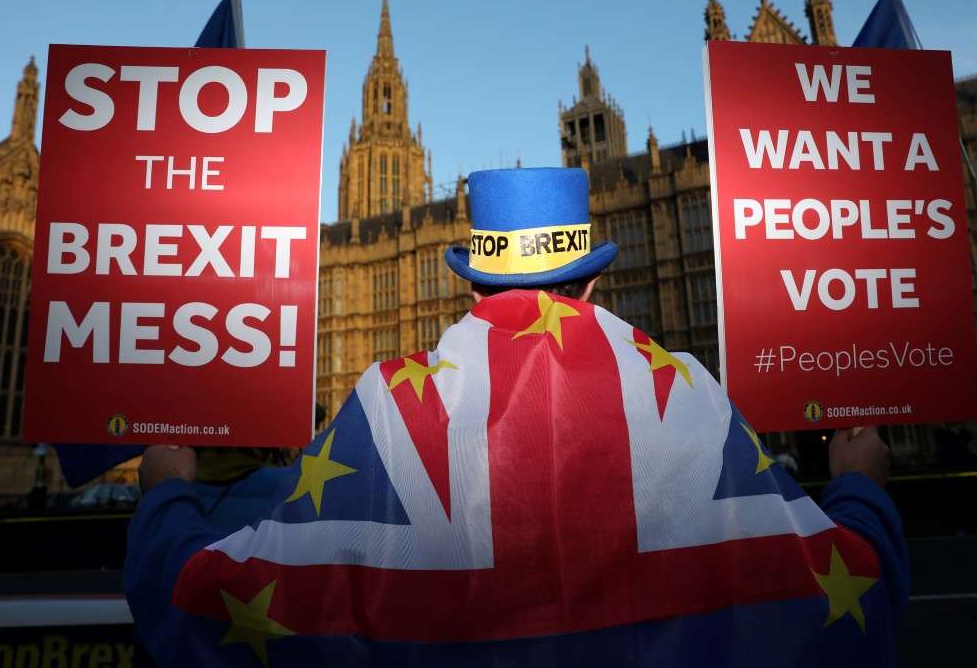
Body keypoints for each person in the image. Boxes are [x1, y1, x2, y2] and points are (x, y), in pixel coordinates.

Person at [124, 167, 908, 666]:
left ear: (473, 286)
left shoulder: (392, 410)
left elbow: (217, 609)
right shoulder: (688, 396)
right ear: (593, 285)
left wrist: (167, 492)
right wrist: (859, 491)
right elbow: (844, 604)